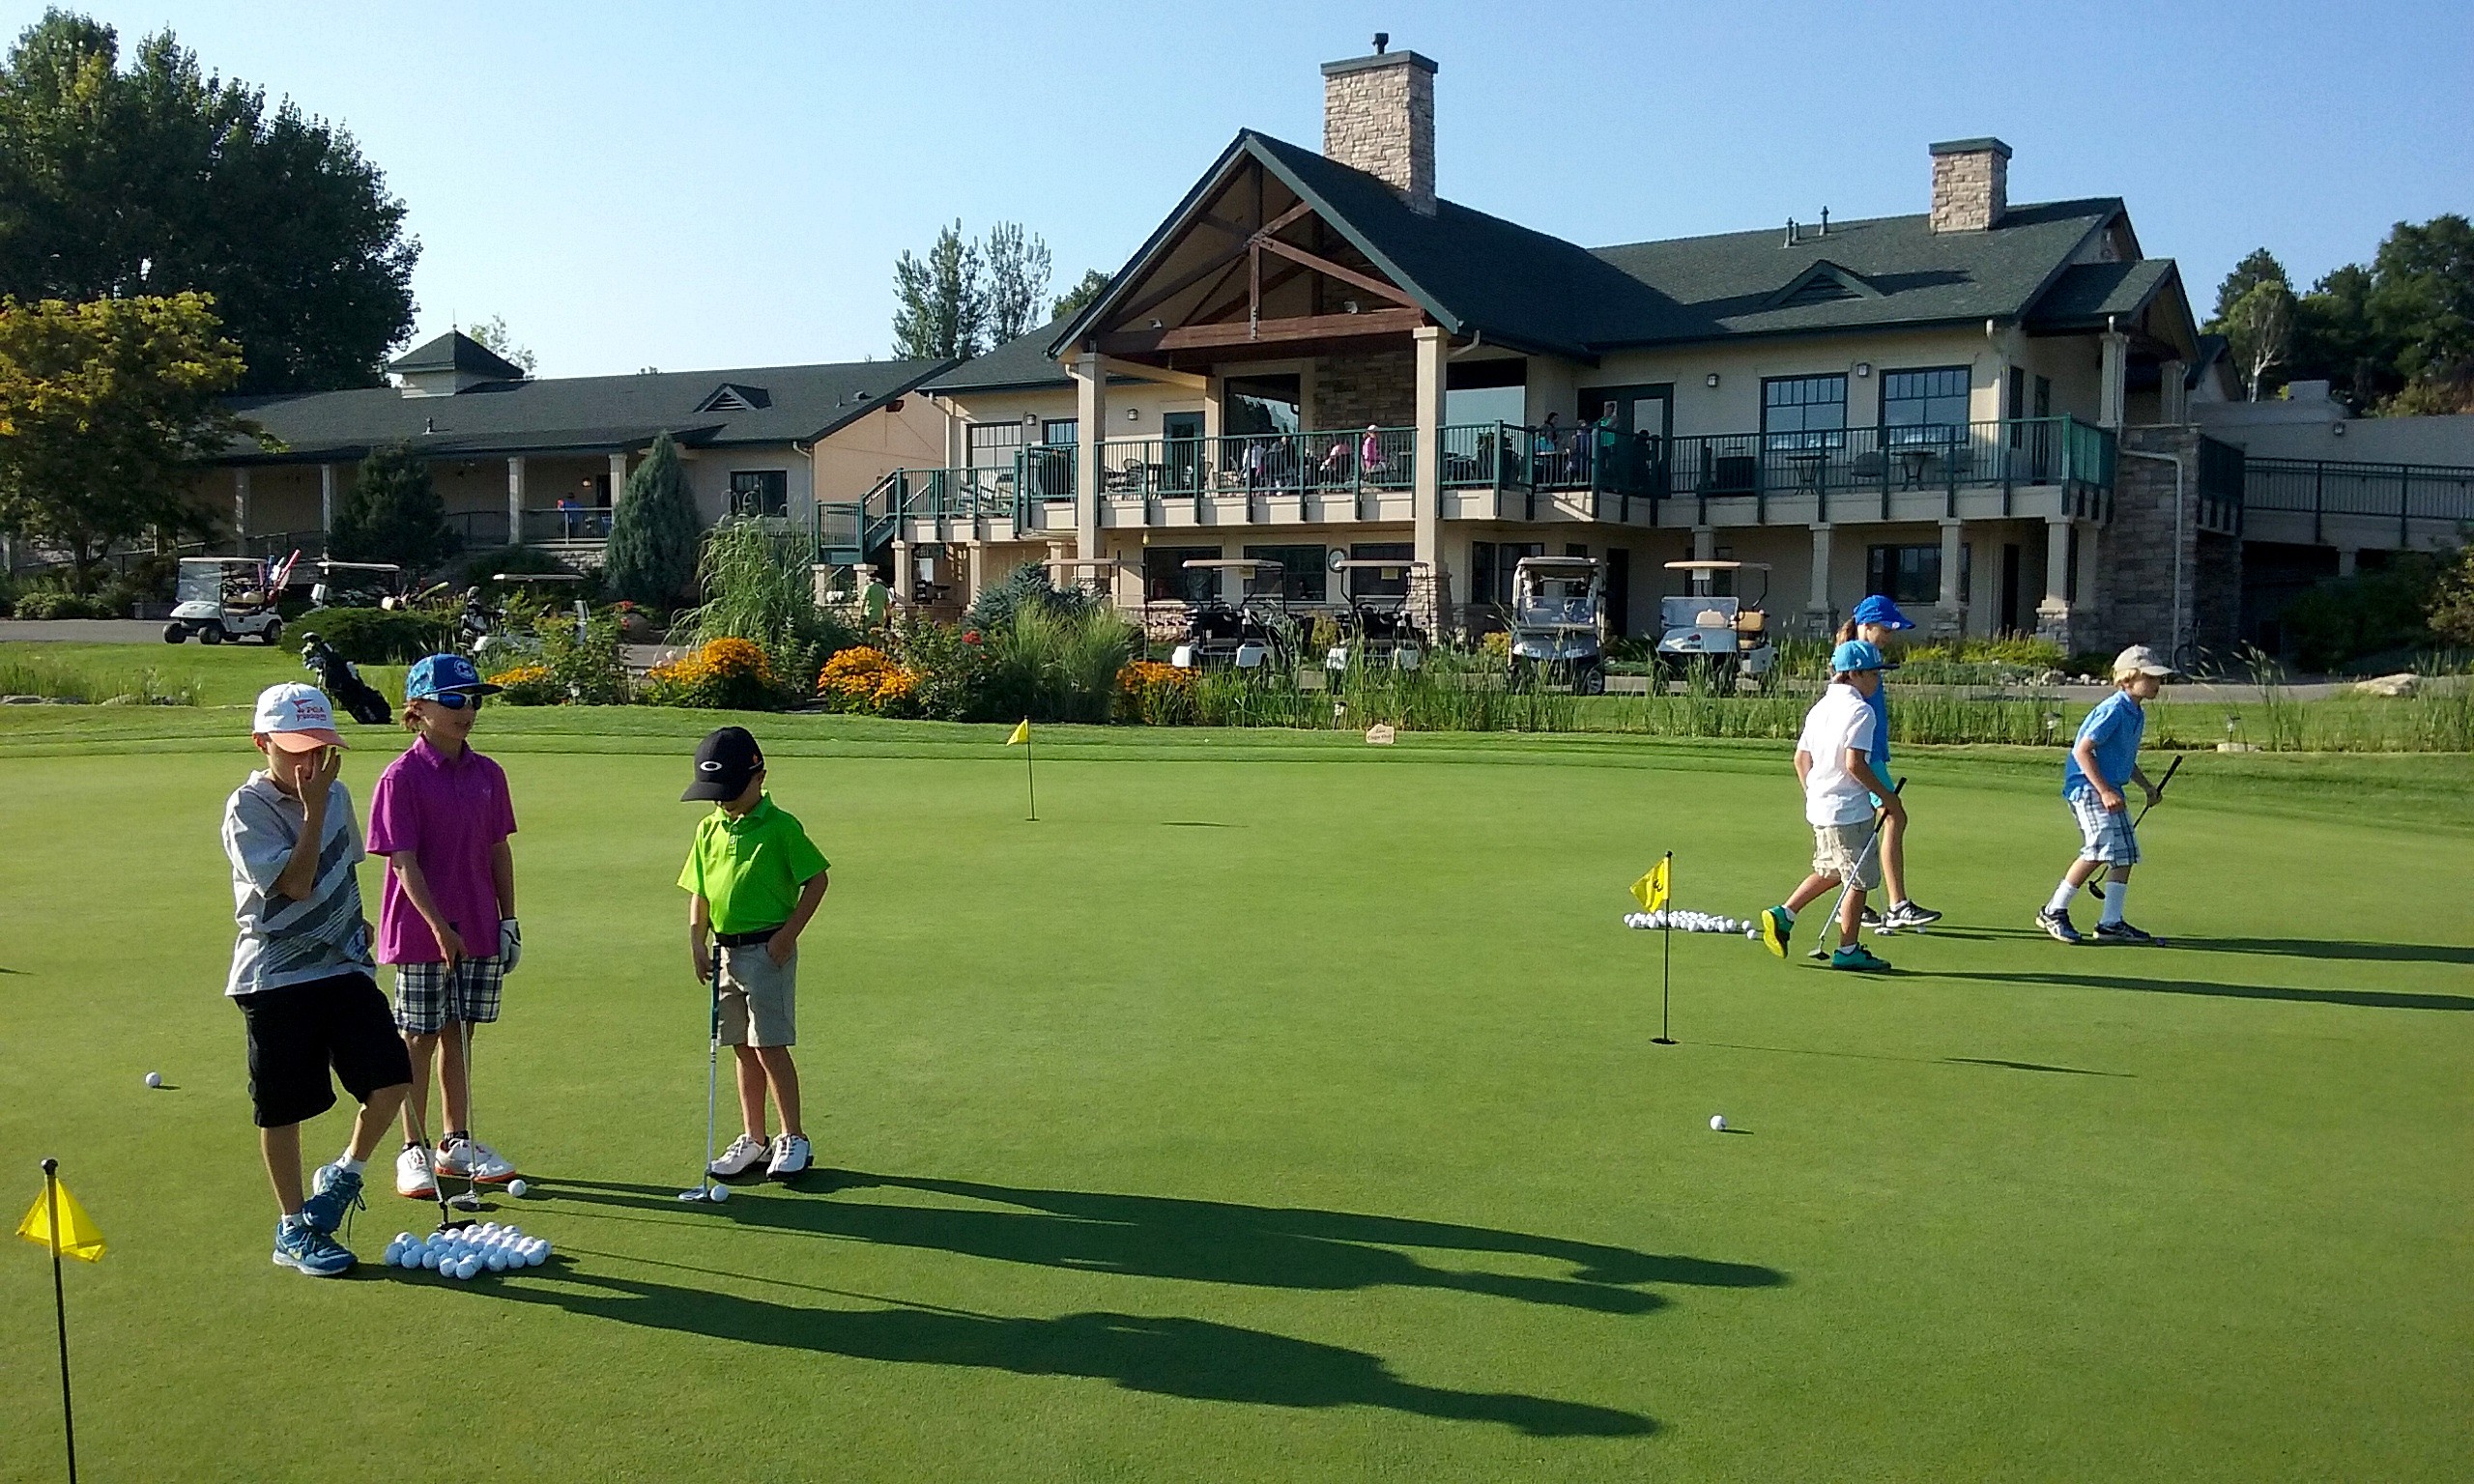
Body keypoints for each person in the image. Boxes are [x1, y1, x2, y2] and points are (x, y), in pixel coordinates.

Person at [221, 684, 413, 1276]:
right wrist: (312, 810)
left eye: (321, 748)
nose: (311, 762)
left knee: (392, 1079)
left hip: (341, 968)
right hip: (274, 977)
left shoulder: (337, 793)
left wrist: (362, 947)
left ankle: (344, 1174)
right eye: (297, 749)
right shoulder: (246, 808)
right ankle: (293, 1228)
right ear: (263, 743)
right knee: (284, 1108)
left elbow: (342, 880)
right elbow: (297, 883)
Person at [370, 653, 523, 1201]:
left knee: (460, 1033)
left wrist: (509, 921)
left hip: (480, 925)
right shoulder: (401, 778)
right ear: (420, 708)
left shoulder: (489, 774)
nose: (468, 711)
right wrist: (438, 928)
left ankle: (455, 1142)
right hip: (419, 932)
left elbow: (497, 848)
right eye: (454, 700)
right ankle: (413, 1147)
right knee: (418, 1037)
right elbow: (403, 863)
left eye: (474, 700)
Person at [677, 727, 831, 1181]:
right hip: (724, 952)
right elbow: (700, 890)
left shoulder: (782, 827)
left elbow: (817, 880)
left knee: (770, 1047)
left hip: (769, 952)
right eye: (715, 793)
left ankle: (794, 1137)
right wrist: (695, 940)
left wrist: (788, 935)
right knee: (741, 1048)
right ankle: (755, 1139)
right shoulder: (709, 828)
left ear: (759, 776)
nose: (722, 800)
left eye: (729, 790)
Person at [1759, 640, 1899, 971]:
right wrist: (1887, 798)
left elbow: (1800, 759)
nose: (1877, 680)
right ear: (1853, 674)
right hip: (1849, 811)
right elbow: (1855, 765)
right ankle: (1848, 950)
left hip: (1821, 808)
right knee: (1860, 879)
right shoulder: (1861, 711)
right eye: (1873, 673)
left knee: (1831, 871)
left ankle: (1784, 914)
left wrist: (1815, 793)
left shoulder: (1819, 708)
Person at [2037, 645, 2172, 945]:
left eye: (2157, 679)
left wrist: (2147, 787)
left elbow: (2123, 758)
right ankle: (2053, 910)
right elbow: (2082, 751)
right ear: (2127, 679)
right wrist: (2105, 790)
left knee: (2124, 854)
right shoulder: (2114, 708)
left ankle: (2111, 923)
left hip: (2108, 788)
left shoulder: (2135, 712)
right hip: (2087, 788)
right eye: (2149, 678)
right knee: (2099, 849)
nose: (2156, 684)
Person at [1836, 595, 1942, 930]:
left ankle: (1859, 904)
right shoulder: (1853, 661)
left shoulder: (1872, 657)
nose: (1889, 636)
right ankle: (1897, 905)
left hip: (1874, 751)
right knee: (1894, 814)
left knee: (1874, 820)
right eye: (1885, 629)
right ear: (1866, 626)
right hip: (1865, 755)